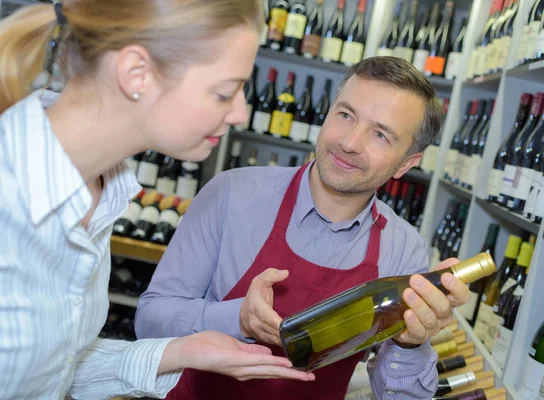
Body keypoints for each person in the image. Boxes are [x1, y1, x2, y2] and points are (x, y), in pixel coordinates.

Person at [0, 1, 316, 399]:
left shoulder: (101, 193)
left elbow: (55, 367)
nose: (240, 112)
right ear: (137, 74)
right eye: (224, 92)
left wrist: (182, 350)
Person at [135, 56, 472, 400]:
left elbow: (398, 397)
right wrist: (237, 318)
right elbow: (150, 319)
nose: (351, 142)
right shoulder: (231, 195)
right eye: (345, 115)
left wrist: (410, 342)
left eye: (381, 135)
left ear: (406, 163)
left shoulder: (404, 249)